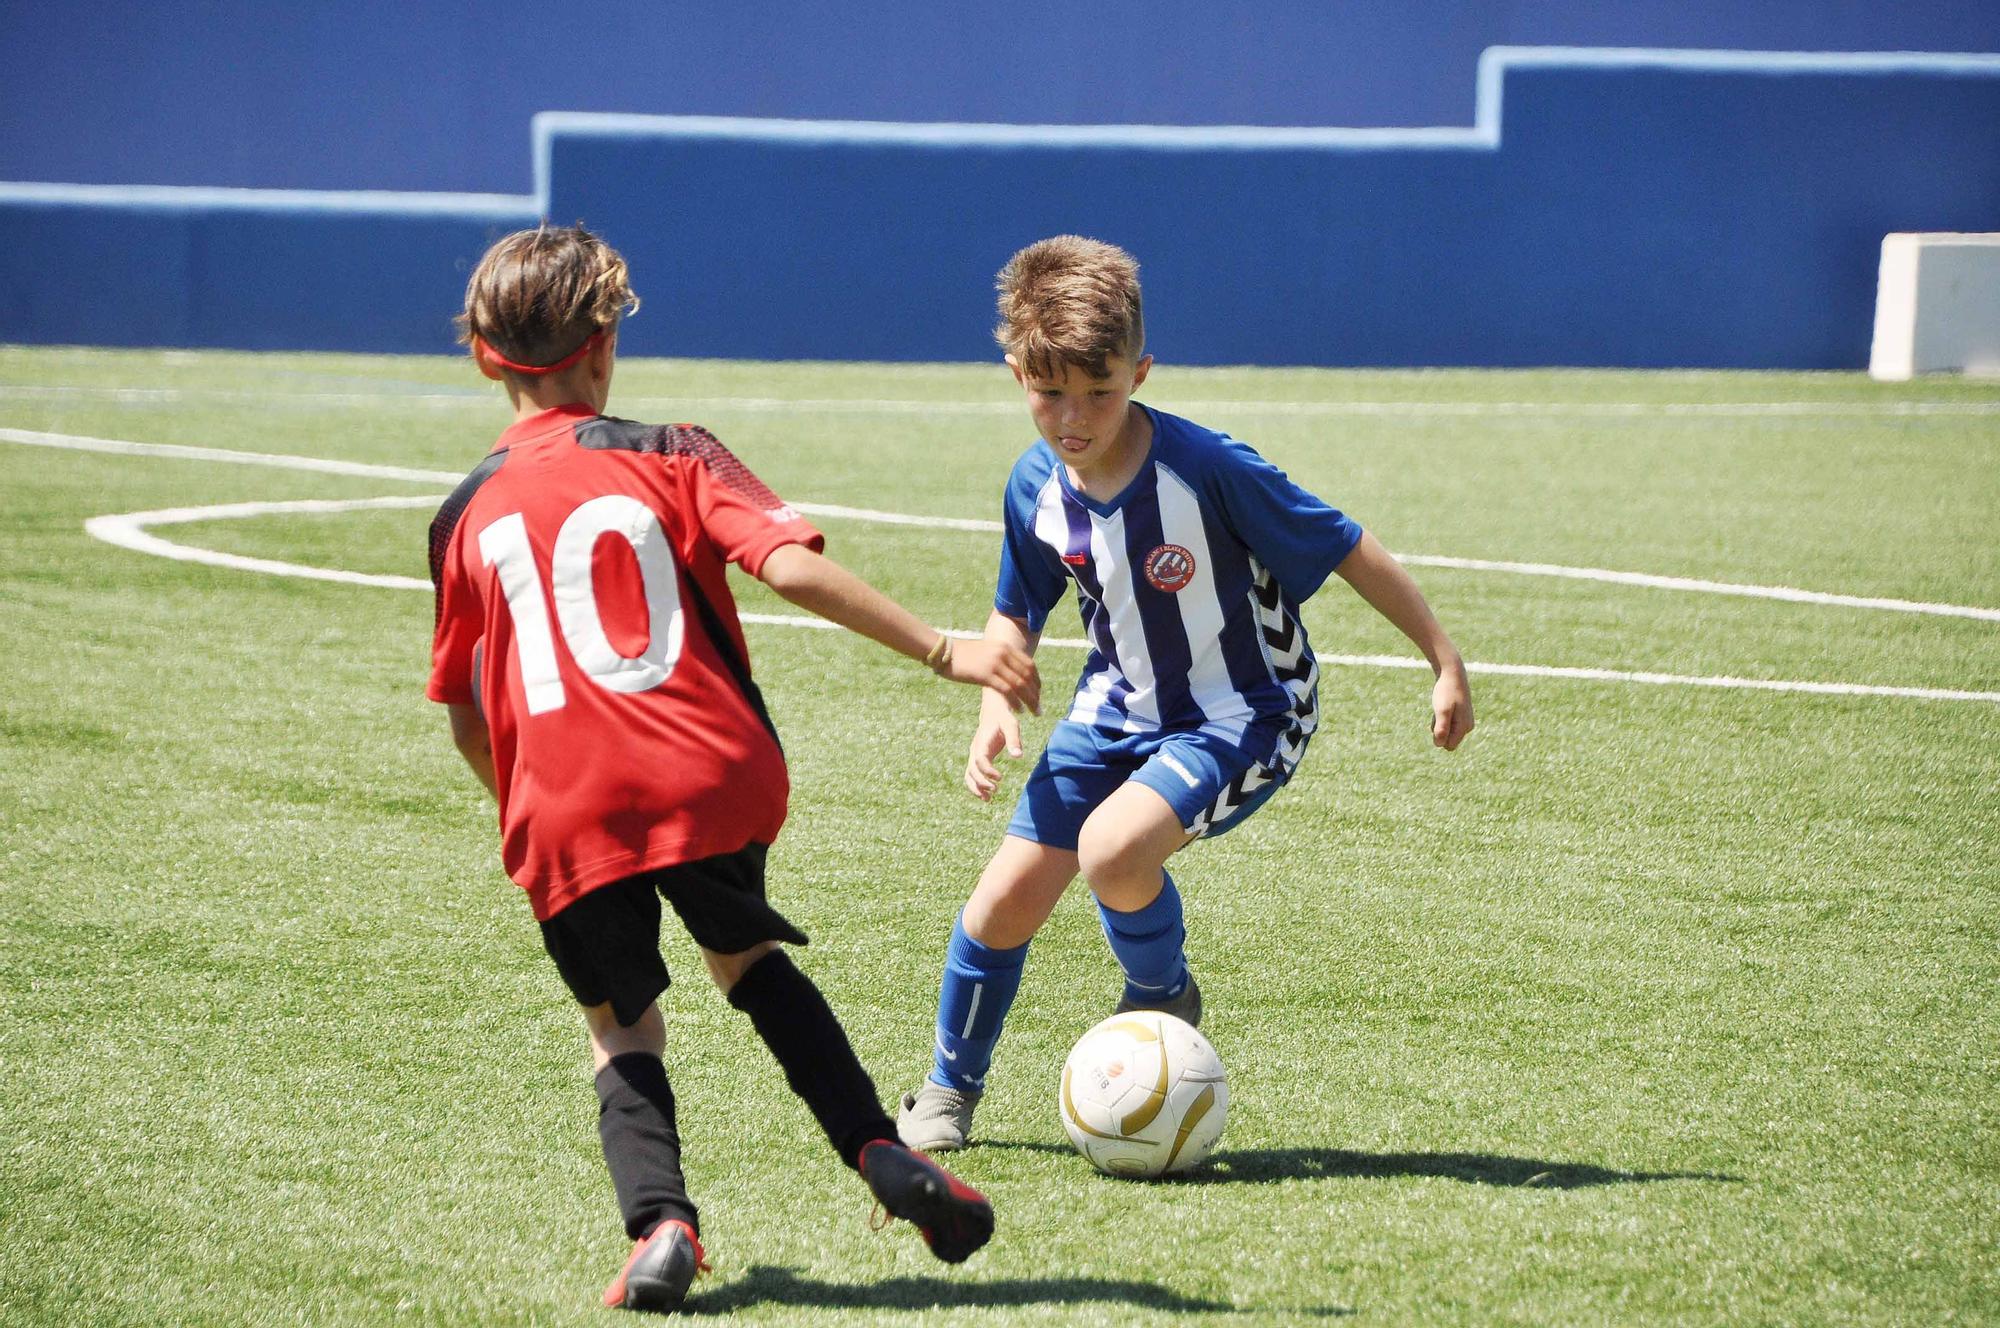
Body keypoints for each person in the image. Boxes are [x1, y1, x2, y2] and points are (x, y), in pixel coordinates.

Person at [427, 224, 1039, 1312]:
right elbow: (790, 565)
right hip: (709, 772)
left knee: (622, 1024)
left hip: (564, 807)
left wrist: (519, 810)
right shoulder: (675, 448)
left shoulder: (460, 514)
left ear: (480, 353)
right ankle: (878, 1150)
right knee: (745, 955)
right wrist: (948, 649)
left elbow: (472, 713)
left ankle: (661, 1220)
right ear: (605, 342)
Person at [897, 235, 1474, 1151]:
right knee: (999, 903)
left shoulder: (1205, 469)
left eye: (1101, 390)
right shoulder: (1034, 485)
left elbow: (1347, 544)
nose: (1074, 417)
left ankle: (1162, 998)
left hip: (1246, 708)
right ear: (1016, 376)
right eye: (1051, 393)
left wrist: (1442, 657)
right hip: (1114, 706)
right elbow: (1016, 616)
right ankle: (946, 1093)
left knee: (1112, 851)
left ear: (1141, 371)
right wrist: (995, 700)